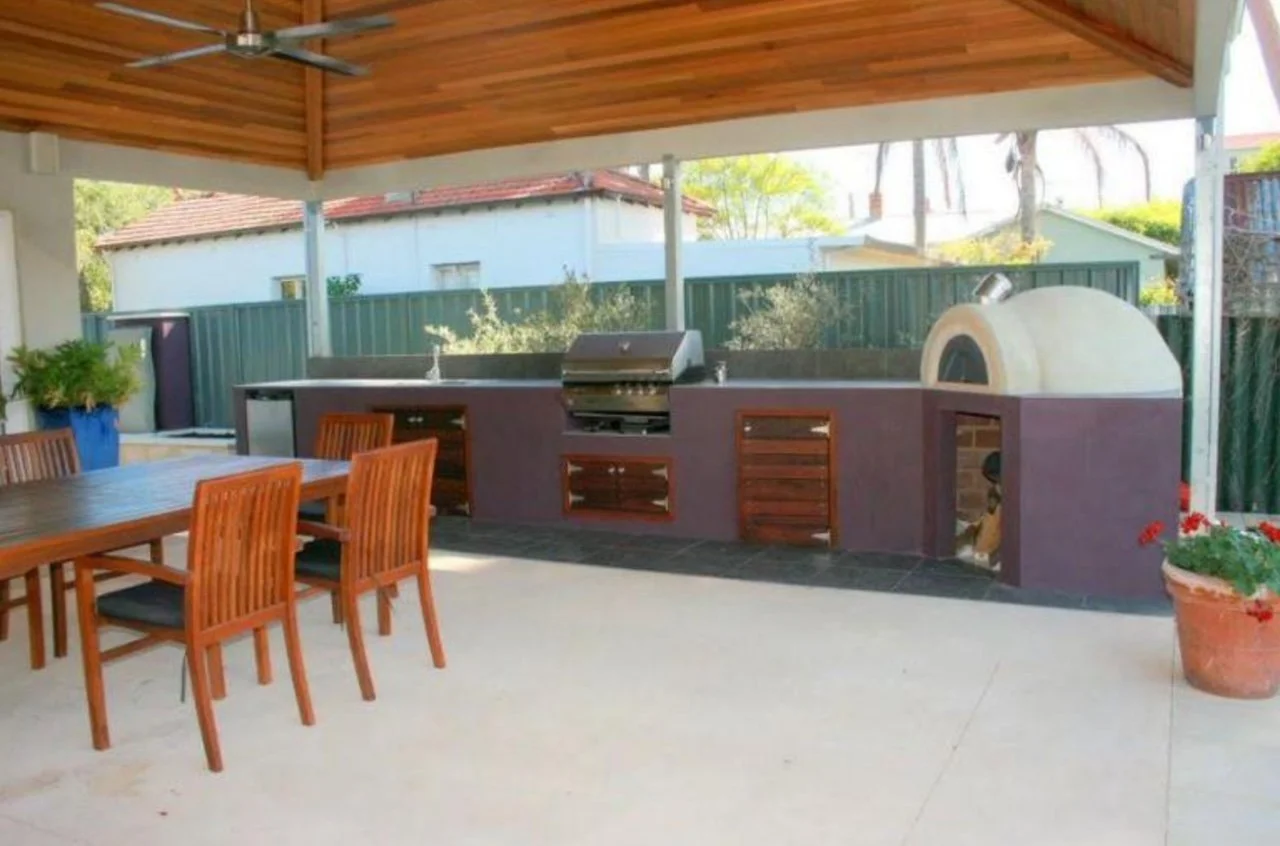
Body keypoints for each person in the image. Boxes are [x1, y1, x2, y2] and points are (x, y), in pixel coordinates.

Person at [957, 451, 1001, 570]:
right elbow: (989, 521)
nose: (996, 483)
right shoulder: (995, 492)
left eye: (997, 479)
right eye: (993, 480)